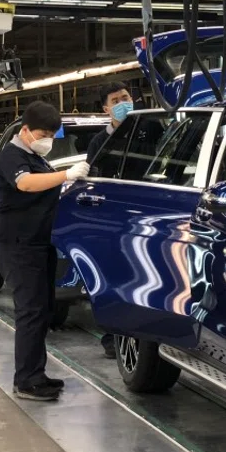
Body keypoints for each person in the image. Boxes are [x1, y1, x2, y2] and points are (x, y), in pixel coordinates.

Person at [0, 100, 89, 401]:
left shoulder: (36, 157)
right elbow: (26, 185)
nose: (47, 139)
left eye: (52, 134)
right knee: (31, 312)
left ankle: (36, 373)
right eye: (43, 133)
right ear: (26, 130)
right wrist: (66, 175)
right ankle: (25, 381)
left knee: (43, 309)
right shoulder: (12, 155)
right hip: (19, 245)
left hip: (38, 243)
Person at [85, 80, 135, 359]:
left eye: (125, 96)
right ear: (107, 109)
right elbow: (95, 181)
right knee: (111, 279)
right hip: (112, 220)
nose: (122, 103)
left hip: (140, 215)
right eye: (116, 100)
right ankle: (110, 335)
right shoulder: (99, 142)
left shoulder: (150, 129)